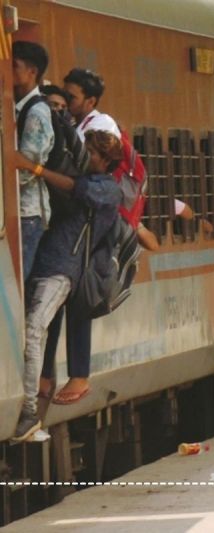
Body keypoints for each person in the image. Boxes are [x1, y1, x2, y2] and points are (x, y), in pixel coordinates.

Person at [12, 130, 123, 442]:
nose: (84, 155)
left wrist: (31, 167)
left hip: (62, 270)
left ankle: (29, 412)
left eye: (90, 151)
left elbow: (76, 189)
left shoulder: (107, 190)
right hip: (44, 264)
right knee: (30, 330)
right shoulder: (86, 179)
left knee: (35, 330)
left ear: (105, 160)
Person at [12, 41, 55, 281]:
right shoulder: (17, 108)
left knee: (18, 282)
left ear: (32, 72)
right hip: (19, 212)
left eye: (14, 66)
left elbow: (26, 168)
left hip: (28, 213)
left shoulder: (36, 113)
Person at [62, 68, 120, 142]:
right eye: (63, 94)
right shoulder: (73, 123)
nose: (64, 100)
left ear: (91, 102)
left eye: (71, 97)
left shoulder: (102, 123)